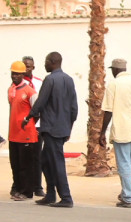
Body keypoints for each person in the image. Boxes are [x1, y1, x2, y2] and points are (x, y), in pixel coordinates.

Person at [22, 52, 78, 208]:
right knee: (45, 161)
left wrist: (29, 117)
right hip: (62, 128)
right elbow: (74, 108)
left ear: (53, 62)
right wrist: (69, 128)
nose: (44, 65)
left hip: (51, 128)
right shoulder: (69, 80)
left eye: (46, 62)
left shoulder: (50, 79)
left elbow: (40, 102)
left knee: (56, 163)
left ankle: (66, 198)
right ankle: (51, 195)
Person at [99, 58, 131, 208]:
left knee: (124, 164)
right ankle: (127, 192)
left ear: (114, 70)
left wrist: (102, 132)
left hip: (122, 128)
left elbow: (108, 110)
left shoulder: (114, 84)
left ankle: (129, 196)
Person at [8, 61, 38, 201]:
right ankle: (18, 189)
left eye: (18, 74)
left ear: (23, 75)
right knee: (15, 164)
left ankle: (27, 192)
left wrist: (28, 125)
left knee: (26, 165)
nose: (15, 76)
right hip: (13, 134)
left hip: (26, 135)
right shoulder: (11, 90)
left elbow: (37, 112)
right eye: (13, 73)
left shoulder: (29, 91)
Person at [22, 55, 45, 197]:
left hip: (37, 125)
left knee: (37, 156)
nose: (26, 69)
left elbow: (42, 103)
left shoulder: (39, 82)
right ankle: (25, 186)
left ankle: (37, 186)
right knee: (24, 156)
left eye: (28, 66)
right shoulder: (18, 83)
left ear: (33, 67)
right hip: (24, 125)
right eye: (23, 66)